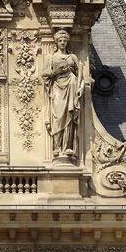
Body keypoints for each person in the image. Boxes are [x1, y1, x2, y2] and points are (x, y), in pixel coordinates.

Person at [41, 29, 85, 160]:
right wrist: (56, 71)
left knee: (69, 116)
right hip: (57, 88)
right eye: (60, 41)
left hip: (71, 85)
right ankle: (57, 147)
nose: (62, 43)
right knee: (58, 117)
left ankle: (67, 147)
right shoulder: (51, 58)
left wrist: (80, 86)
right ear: (56, 42)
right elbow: (44, 75)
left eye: (65, 41)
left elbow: (80, 74)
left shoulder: (73, 57)